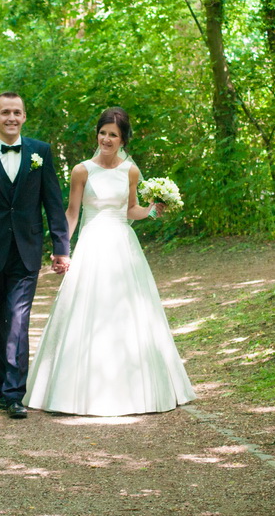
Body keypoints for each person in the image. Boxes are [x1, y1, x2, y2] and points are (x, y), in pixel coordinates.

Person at [25, 107, 195, 416]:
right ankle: (73, 390)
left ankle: (134, 388)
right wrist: (61, 248)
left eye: (113, 135)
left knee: (129, 313)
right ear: (97, 135)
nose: (106, 139)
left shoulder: (130, 171)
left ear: (123, 139)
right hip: (91, 244)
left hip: (122, 247)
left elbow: (132, 210)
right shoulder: (82, 170)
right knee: (86, 311)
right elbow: (73, 213)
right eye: (103, 133)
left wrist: (154, 210)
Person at [0, 91, 71, 419]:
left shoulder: (40, 153)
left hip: (26, 250)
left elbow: (53, 204)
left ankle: (14, 394)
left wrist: (61, 248)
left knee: (18, 320)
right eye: (5, 112)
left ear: (24, 117)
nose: (11, 118)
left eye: (17, 112)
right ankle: (0, 386)